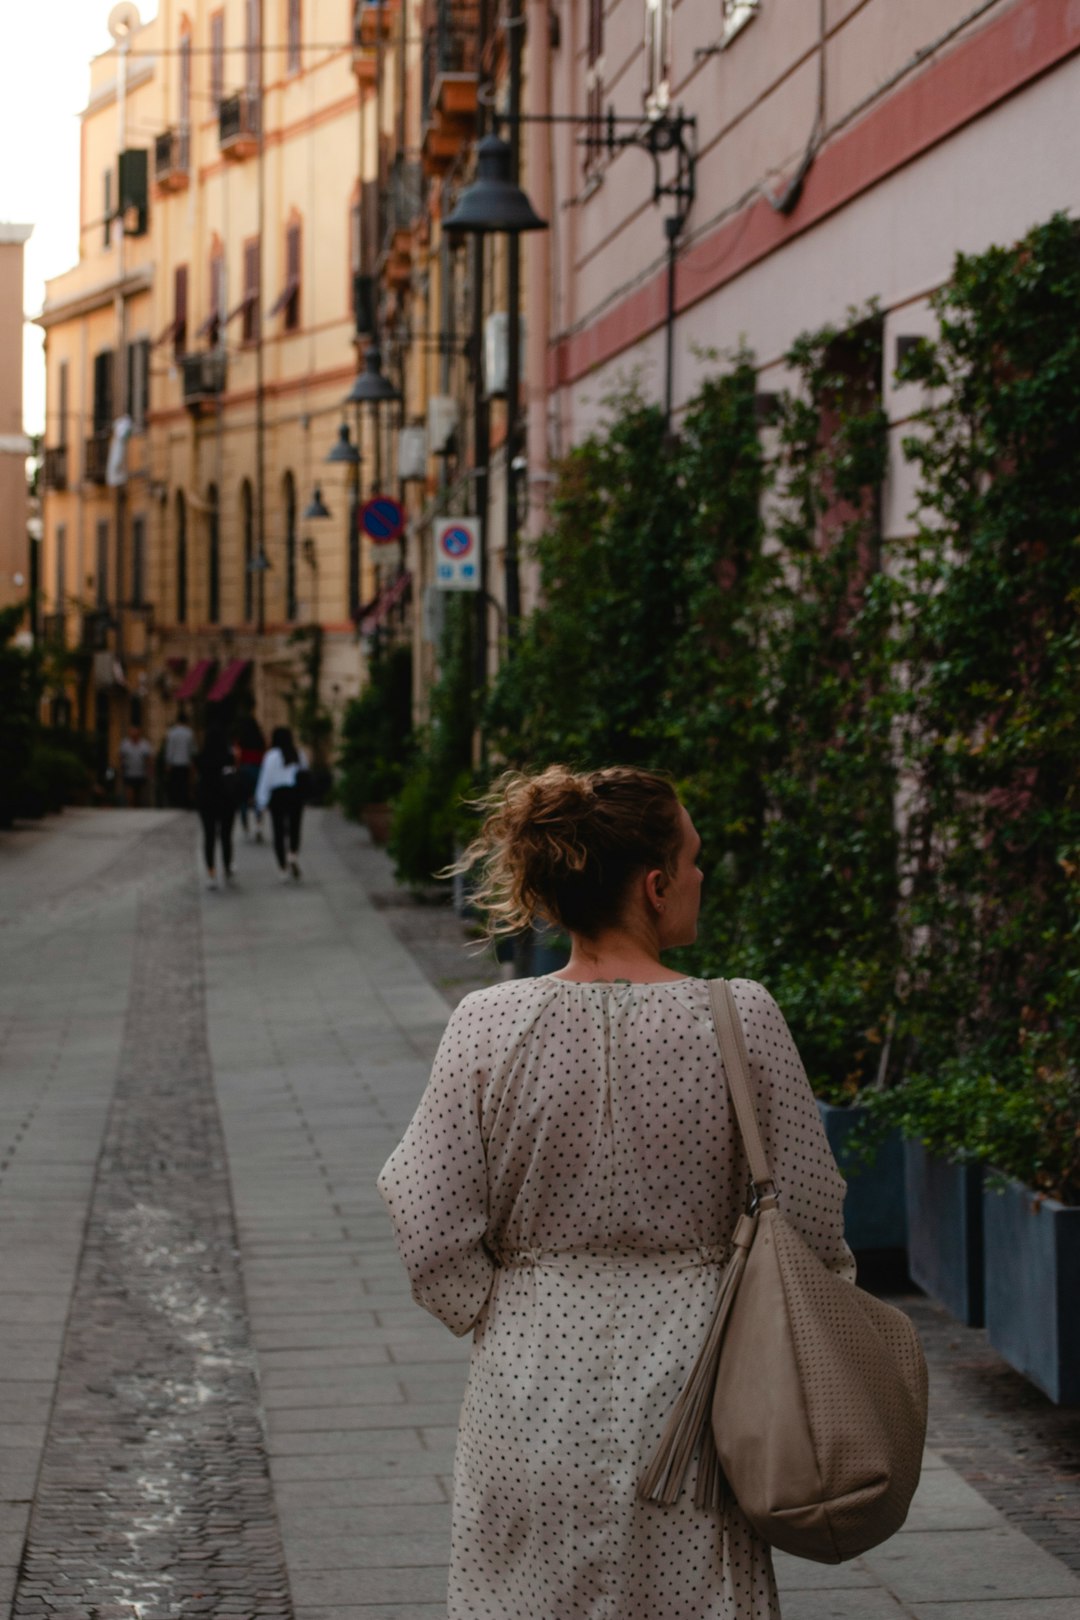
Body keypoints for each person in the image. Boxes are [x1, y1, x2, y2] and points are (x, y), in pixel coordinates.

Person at [378, 764, 854, 1620]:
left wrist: (504, 1306)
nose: (703, 876)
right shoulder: (740, 1018)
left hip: (527, 1385)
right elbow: (814, 1224)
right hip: (700, 1390)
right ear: (656, 883)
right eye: (694, 858)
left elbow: (427, 1216)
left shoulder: (488, 1026)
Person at [255, 725, 310, 882]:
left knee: (278, 831)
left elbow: (265, 780)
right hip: (295, 794)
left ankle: (282, 867)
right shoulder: (298, 754)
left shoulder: (271, 756)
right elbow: (305, 773)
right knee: (295, 827)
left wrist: (261, 801)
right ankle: (292, 854)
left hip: (278, 796)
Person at [196, 721, 239, 890]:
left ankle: (211, 873)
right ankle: (227, 867)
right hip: (226, 800)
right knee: (226, 836)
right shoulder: (228, 757)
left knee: (209, 836)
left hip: (206, 801)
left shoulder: (202, 758)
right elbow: (234, 775)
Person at [234, 710, 266, 842]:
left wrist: (238, 768)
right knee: (258, 797)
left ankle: (245, 823)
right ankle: (258, 824)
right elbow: (264, 754)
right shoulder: (260, 738)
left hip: (245, 769)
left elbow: (238, 756)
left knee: (243, 797)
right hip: (258, 769)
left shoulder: (242, 739)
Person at [164, 708, 196, 808]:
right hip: (185, 763)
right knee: (184, 784)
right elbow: (193, 750)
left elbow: (169, 749)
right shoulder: (189, 733)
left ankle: (176, 802)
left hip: (174, 763)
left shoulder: (171, 732)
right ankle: (184, 802)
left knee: (175, 784)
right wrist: (192, 762)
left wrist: (168, 763)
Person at [118, 725, 153, 808]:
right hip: (129, 773)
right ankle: (130, 807)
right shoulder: (125, 744)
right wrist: (121, 768)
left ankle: (137, 809)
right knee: (130, 795)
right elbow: (121, 757)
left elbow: (149, 758)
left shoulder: (144, 745)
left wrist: (150, 770)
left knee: (139, 795)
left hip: (141, 773)